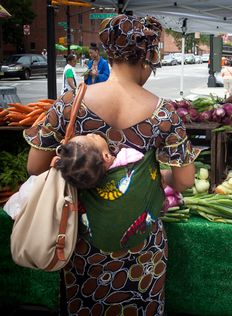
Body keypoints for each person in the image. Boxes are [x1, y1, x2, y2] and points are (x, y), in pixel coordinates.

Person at [23, 14, 198, 315]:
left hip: (82, 240)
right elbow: (185, 182)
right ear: (147, 57)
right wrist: (156, 173)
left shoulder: (69, 103)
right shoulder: (165, 113)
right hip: (141, 244)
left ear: (109, 52)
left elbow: (35, 167)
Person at [3, 134, 143, 220]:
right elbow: (138, 156)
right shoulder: (126, 158)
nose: (91, 134)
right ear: (106, 156)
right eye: (91, 138)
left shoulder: (78, 180)